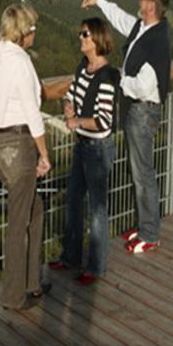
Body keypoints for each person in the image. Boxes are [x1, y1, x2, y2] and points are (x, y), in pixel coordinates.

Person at [79, 0, 171, 254]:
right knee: (139, 171)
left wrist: (118, 78)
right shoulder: (145, 28)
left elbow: (144, 86)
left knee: (142, 174)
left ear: (151, 5)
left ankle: (151, 234)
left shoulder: (156, 41)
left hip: (142, 110)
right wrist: (98, 1)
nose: (138, 1)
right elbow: (120, 19)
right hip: (138, 110)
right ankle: (145, 226)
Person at [0, 4, 52, 309]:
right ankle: (14, 296)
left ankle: (31, 281)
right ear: (24, 32)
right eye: (33, 28)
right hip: (19, 144)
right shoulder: (21, 62)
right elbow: (31, 112)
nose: (35, 32)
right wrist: (44, 154)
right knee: (18, 222)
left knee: (33, 210)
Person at [49, 18, 120, 285]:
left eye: (85, 34)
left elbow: (104, 120)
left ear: (97, 39)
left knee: (97, 209)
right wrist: (69, 105)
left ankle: (96, 267)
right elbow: (71, 94)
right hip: (83, 145)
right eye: (81, 33)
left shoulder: (106, 77)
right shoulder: (84, 68)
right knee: (74, 202)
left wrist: (76, 121)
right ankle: (71, 257)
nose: (80, 37)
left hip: (97, 148)